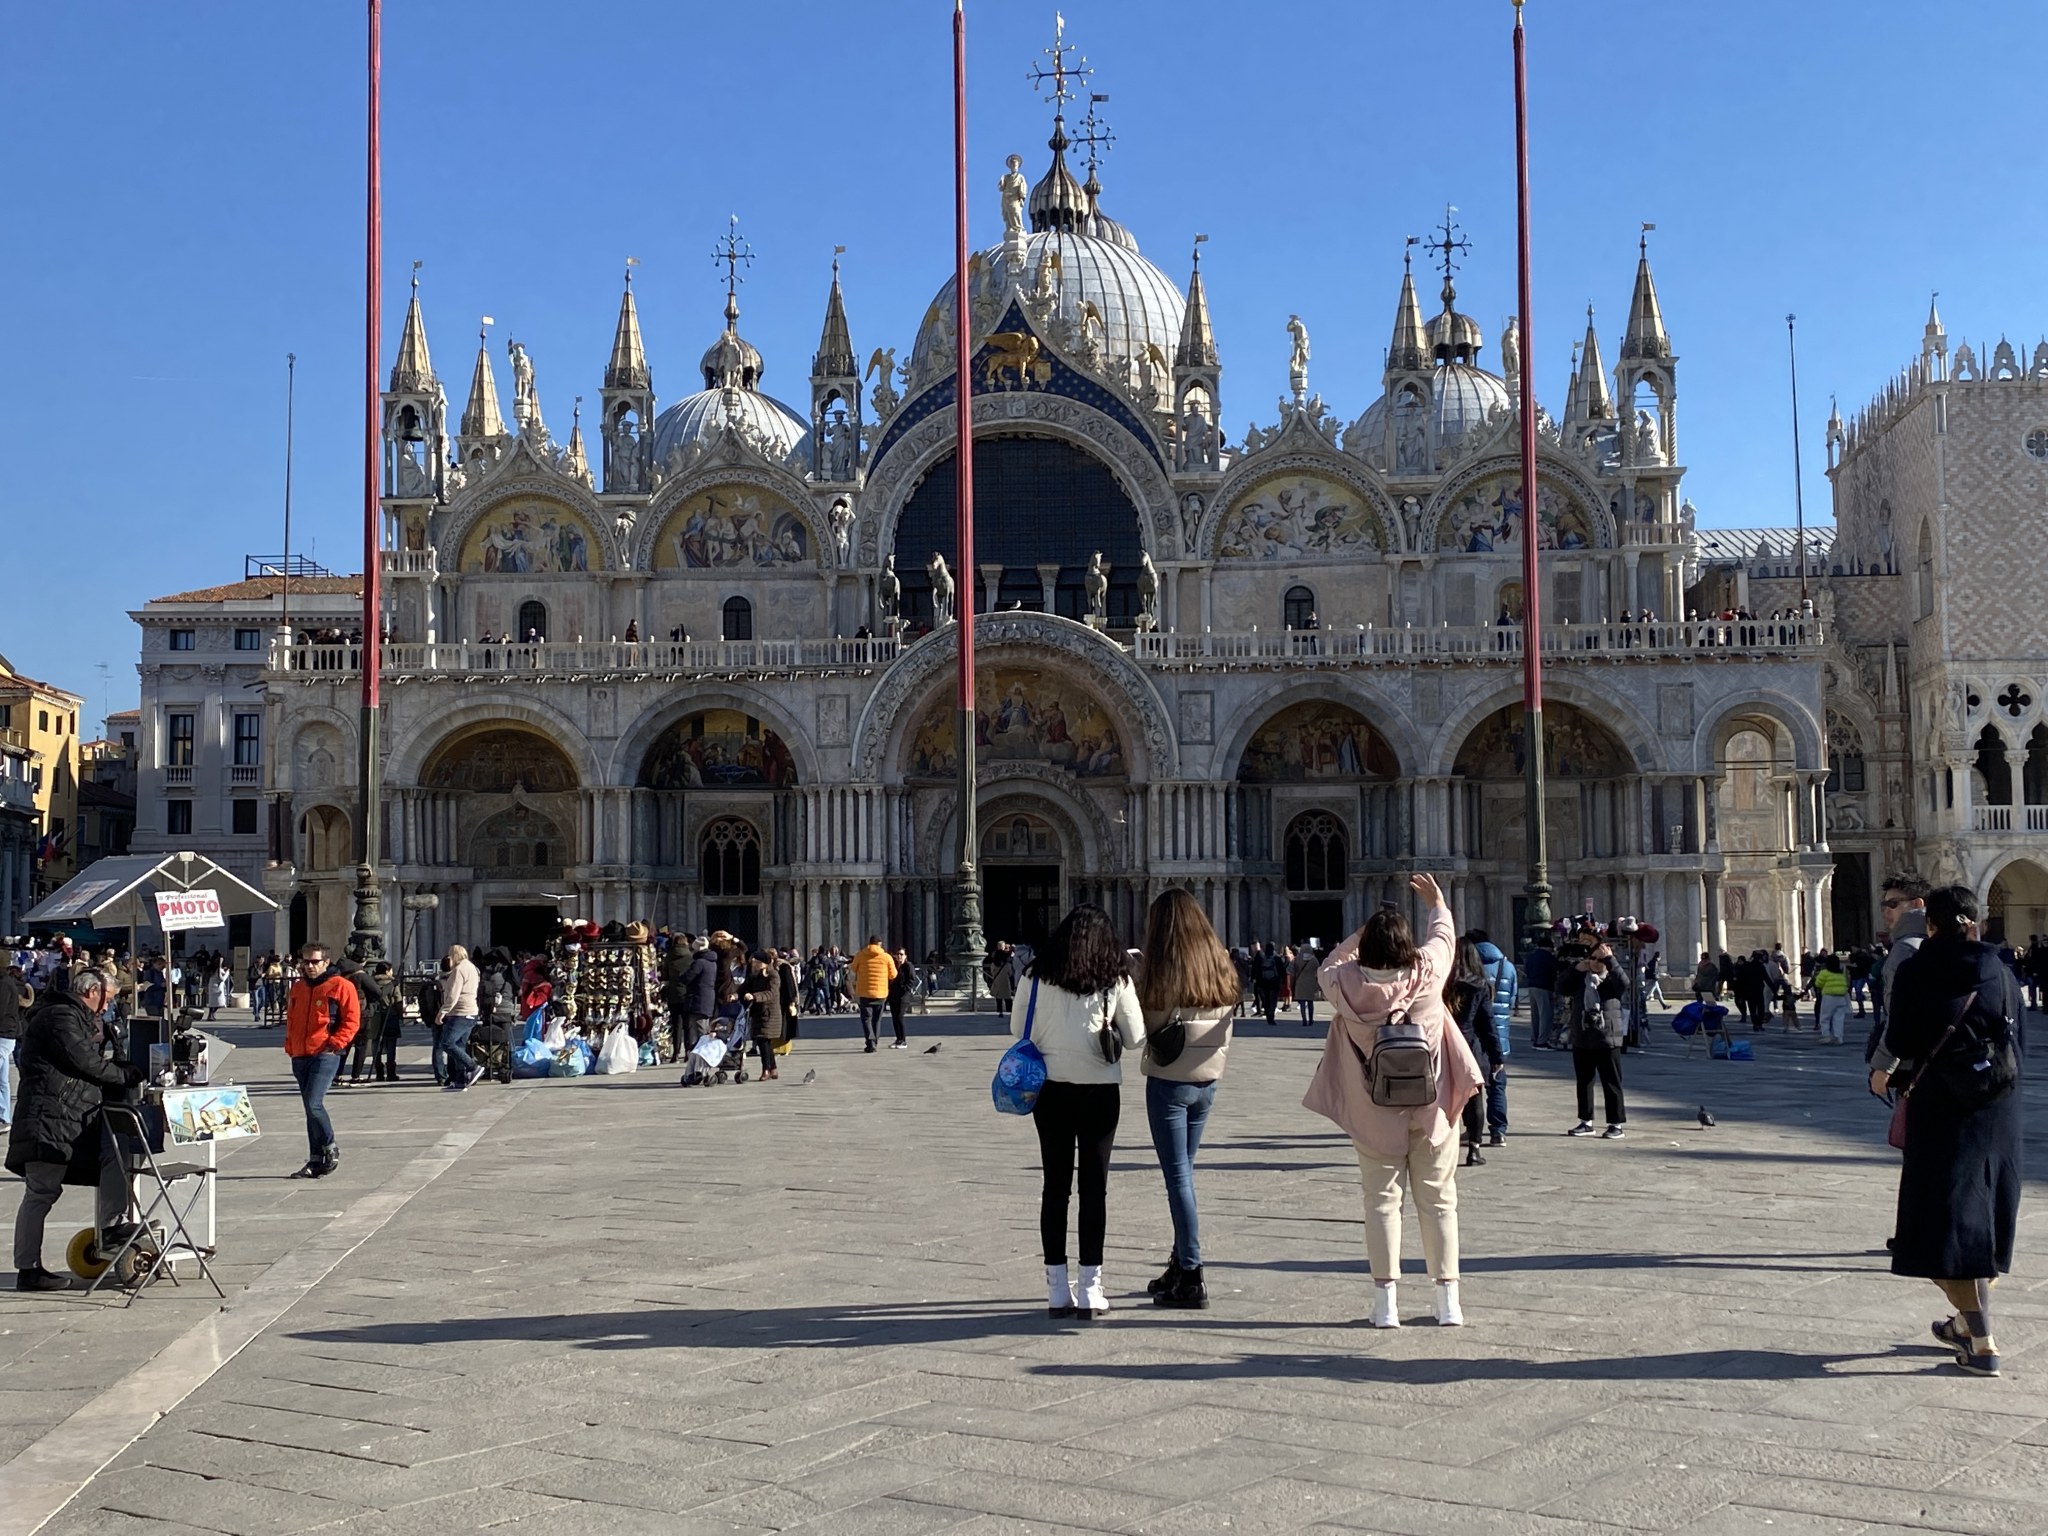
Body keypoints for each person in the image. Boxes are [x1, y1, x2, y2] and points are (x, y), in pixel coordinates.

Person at [1304, 874, 1484, 1328]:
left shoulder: (1342, 983)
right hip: (1431, 1108)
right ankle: (1448, 1301)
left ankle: (1385, 1304)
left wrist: (1360, 935)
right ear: (1407, 946)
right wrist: (1437, 903)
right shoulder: (1428, 973)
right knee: (1440, 1201)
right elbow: (1443, 938)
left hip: (1373, 1109)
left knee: (1381, 1203)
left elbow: (1329, 962)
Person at [1877, 885, 2023, 1376]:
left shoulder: (1920, 969)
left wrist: (1884, 1072)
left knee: (1944, 1229)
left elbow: (1900, 1038)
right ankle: (1965, 1327)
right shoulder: (2000, 970)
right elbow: (2014, 1033)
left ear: (1931, 926)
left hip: (1942, 1108)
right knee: (1986, 1222)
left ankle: (1982, 1343)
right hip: (1998, 1106)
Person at [1011, 904, 1145, 1320]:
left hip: (1048, 1090)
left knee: (1055, 1188)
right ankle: (1090, 1287)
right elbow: (1137, 1038)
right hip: (1099, 1091)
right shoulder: (1115, 980)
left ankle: (1056, 1289)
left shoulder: (1034, 975)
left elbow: (1019, 1031)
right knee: (1094, 1189)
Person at [1136, 888, 1239, 1311]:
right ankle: (1179, 1263)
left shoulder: (1162, 972)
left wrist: (1138, 978)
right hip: (1208, 1083)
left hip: (1170, 1085)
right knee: (1185, 1177)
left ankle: (1192, 1275)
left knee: (1178, 1179)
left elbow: (1148, 1026)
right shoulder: (1220, 965)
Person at [7, 967, 139, 1290]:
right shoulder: (59, 1018)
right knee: (40, 1192)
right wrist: (124, 1075)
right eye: (106, 999)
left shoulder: (75, 1016)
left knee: (115, 1155)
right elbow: (83, 1061)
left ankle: (110, 1227)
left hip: (68, 1119)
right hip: (48, 1120)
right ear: (92, 992)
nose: (107, 1007)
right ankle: (28, 1269)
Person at [284, 945, 359, 1179]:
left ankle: (329, 1147)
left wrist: (336, 1043)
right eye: (306, 962)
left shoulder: (340, 986)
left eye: (315, 962)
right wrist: (290, 1044)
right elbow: (292, 1018)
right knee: (309, 1107)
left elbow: (352, 1019)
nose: (309, 966)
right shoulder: (298, 988)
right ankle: (315, 1159)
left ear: (326, 962)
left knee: (314, 1103)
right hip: (300, 1054)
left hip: (325, 1054)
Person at [1446, 939, 1504, 1168]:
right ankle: (1474, 1149)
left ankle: (1444, 1147)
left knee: (1444, 1098)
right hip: (1470, 1048)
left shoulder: (1442, 983)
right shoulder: (1480, 986)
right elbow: (1487, 1025)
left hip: (1444, 1046)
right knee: (1474, 1098)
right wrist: (1497, 1057)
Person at [1566, 946, 1628, 1138]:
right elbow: (1561, 987)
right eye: (1592, 958)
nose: (1595, 962)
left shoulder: (1611, 980)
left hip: (1607, 1037)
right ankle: (1586, 1121)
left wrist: (1611, 960)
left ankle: (1615, 1124)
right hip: (1583, 1037)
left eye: (1600, 959)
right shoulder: (1581, 980)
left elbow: (1625, 984)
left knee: (1611, 1082)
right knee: (1584, 1081)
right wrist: (1575, 969)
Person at [1470, 929, 1516, 1143]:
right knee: (1497, 1085)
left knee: (1474, 1087)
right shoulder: (1506, 966)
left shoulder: (1468, 966)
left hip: (1475, 1037)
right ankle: (1498, 1131)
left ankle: (1473, 1131)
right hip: (1500, 1034)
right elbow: (1513, 998)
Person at [741, 948, 792, 1081]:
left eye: (757, 962)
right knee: (765, 1042)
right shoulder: (754, 976)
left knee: (763, 1041)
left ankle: (766, 1069)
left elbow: (771, 993)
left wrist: (754, 996)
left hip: (770, 1014)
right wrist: (735, 995)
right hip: (758, 1013)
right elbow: (743, 988)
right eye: (753, 961)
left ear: (764, 963)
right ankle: (773, 1068)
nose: (754, 964)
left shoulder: (773, 975)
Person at [437, 943, 482, 1092]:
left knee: (447, 1043)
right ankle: (460, 1081)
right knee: (460, 1046)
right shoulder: (473, 968)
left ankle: (472, 1067)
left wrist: (442, 1012)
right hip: (471, 1012)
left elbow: (453, 995)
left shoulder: (458, 970)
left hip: (460, 1012)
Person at [852, 935, 896, 1054]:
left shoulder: (860, 955)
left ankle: (870, 1041)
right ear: (880, 944)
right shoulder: (887, 957)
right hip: (881, 993)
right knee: (877, 1020)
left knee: (866, 1019)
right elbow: (893, 974)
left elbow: (853, 968)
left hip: (864, 992)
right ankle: (874, 1041)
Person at [0, 963, 30, 1131]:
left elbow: (1, 1009)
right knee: (2, 1079)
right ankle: (4, 1117)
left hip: (3, 1033)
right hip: (9, 1034)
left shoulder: (4, 984)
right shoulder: (9, 982)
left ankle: (4, 1116)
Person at [369, 963, 403, 1081]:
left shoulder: (371, 983)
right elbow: (398, 1000)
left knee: (376, 1044)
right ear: (387, 971)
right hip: (390, 1015)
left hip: (375, 1016)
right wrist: (400, 1014)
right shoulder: (392, 984)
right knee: (390, 1045)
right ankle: (391, 1072)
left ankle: (378, 1071)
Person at [1523, 931, 1557, 1048]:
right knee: (1545, 1015)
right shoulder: (1549, 957)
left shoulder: (1532, 956)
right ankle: (1542, 1041)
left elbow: (1526, 970)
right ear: (1549, 947)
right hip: (1544, 987)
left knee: (1535, 1015)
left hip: (1532, 986)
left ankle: (1535, 1037)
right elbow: (1554, 972)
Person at [1812, 951, 1850, 1043]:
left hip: (1829, 997)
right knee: (1839, 1018)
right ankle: (1839, 1037)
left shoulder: (1824, 972)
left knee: (1825, 1018)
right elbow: (1846, 984)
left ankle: (1826, 1036)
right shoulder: (1840, 974)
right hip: (1841, 998)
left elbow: (1818, 983)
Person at [885, 945, 915, 1048]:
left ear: (905, 956)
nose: (899, 956)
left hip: (903, 996)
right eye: (897, 954)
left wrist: (904, 989)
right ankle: (898, 1039)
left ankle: (903, 1040)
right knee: (894, 1017)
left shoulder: (908, 966)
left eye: (901, 954)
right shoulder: (894, 966)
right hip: (894, 996)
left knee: (900, 1017)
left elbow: (911, 980)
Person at [1251, 941, 1285, 1026]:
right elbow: (1282, 970)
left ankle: (1268, 1016)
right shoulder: (1277, 958)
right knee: (1273, 1000)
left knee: (1266, 1000)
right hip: (1274, 982)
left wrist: (1255, 980)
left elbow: (1256, 969)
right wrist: (1283, 981)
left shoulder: (1262, 957)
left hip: (1263, 983)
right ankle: (1271, 1016)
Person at [1291, 939, 1322, 1027]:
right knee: (1310, 1002)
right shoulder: (1314, 960)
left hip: (1300, 982)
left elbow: (1292, 970)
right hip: (1311, 983)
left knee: (1302, 1003)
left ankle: (1304, 1019)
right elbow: (1318, 970)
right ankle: (1311, 1019)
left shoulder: (1298, 959)